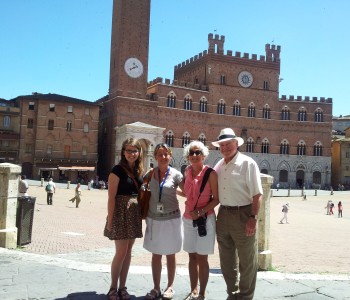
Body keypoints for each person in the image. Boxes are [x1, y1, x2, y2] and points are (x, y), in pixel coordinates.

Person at [212, 128, 263, 300]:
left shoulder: (247, 163)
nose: (225, 147)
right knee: (226, 260)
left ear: (236, 144)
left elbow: (257, 194)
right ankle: (232, 293)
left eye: (228, 144)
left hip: (244, 214)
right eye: (222, 144)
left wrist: (253, 218)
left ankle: (245, 296)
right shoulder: (218, 165)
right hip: (223, 214)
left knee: (247, 260)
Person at [103, 138, 144, 300]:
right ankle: (113, 288)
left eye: (135, 150)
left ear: (139, 152)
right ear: (123, 152)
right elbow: (111, 197)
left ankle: (122, 287)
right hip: (120, 212)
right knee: (120, 252)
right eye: (128, 150)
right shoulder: (117, 170)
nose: (131, 154)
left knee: (128, 253)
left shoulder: (139, 170)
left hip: (133, 214)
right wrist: (111, 220)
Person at [143, 143, 183, 300]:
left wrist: (175, 190)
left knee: (170, 254)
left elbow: (188, 192)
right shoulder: (150, 173)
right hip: (154, 218)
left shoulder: (176, 175)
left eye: (166, 154)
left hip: (172, 218)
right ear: (155, 157)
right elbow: (141, 186)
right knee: (156, 254)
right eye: (160, 154)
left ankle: (170, 287)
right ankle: (156, 288)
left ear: (170, 156)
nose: (163, 157)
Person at [182, 141, 219, 300]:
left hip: (205, 220)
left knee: (202, 258)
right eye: (191, 153)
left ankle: (202, 293)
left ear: (203, 155)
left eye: (198, 153)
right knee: (191, 257)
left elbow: (216, 199)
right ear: (188, 157)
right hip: (188, 219)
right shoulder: (187, 171)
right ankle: (194, 290)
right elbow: (187, 194)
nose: (194, 155)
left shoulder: (210, 173)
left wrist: (201, 211)